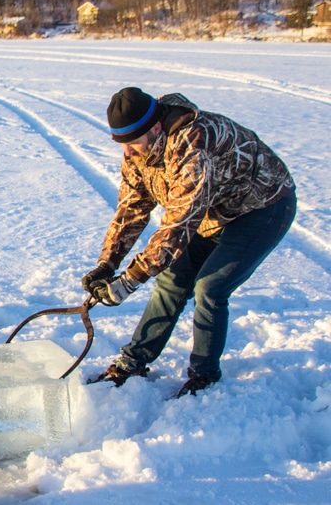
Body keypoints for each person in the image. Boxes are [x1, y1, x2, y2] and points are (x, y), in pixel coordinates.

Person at [82, 87, 296, 397]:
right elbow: (131, 209)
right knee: (172, 281)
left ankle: (204, 376)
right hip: (211, 214)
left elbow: (178, 225)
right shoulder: (138, 150)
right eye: (123, 145)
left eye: (133, 144)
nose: (128, 153)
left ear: (155, 128)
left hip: (262, 207)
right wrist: (107, 264)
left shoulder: (194, 144)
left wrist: (130, 280)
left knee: (210, 287)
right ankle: (131, 363)